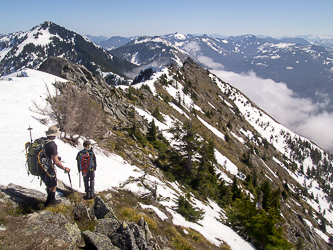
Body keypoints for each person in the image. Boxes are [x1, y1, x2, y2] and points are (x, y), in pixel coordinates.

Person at [41, 126, 70, 206]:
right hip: (48, 167)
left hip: (41, 167)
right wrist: (64, 168)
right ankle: (51, 202)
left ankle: (49, 201)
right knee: (53, 186)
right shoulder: (52, 145)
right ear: (54, 135)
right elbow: (55, 161)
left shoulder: (43, 141)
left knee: (48, 184)